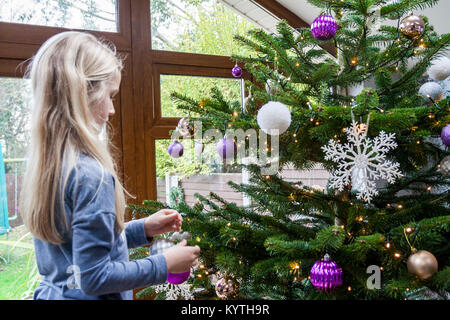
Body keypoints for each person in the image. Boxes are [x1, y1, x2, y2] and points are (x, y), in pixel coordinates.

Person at [19, 31, 200, 300]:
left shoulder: (48, 168)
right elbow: (94, 277)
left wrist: (143, 229)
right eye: (110, 95)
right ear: (83, 95)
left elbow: (81, 253)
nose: (112, 109)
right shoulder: (92, 177)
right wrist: (164, 264)